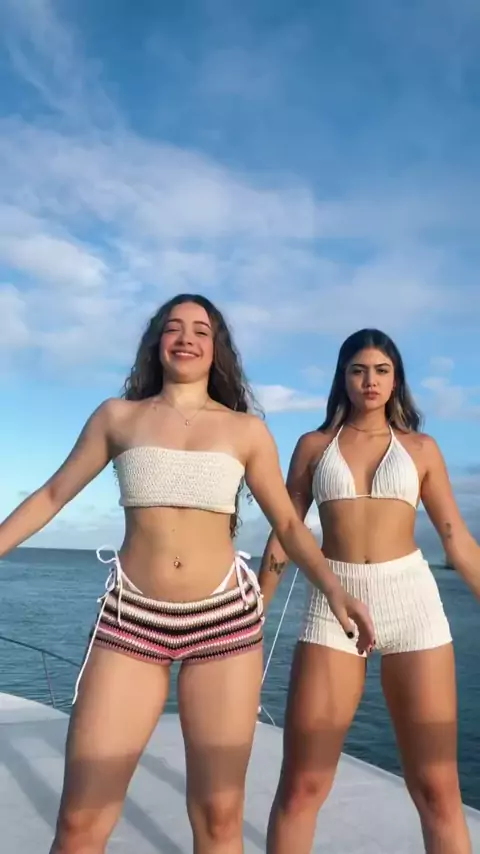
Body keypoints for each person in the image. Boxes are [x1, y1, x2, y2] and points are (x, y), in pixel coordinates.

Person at [0, 295, 374, 854]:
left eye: (201, 330)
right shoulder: (117, 417)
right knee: (80, 821)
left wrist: (336, 591)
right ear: (157, 342)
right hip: (132, 618)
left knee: (219, 818)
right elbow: (52, 495)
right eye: (173, 328)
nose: (186, 338)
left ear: (216, 348)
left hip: (225, 621)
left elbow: (289, 526)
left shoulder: (246, 431)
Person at [259, 328, 479, 854]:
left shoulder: (421, 449)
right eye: (358, 370)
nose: (370, 381)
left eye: (381, 370)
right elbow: (286, 532)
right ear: (343, 378)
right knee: (302, 784)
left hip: (413, 604)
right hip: (332, 605)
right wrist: (255, 610)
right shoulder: (314, 447)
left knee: (436, 788)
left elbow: (456, 540)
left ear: (396, 379)